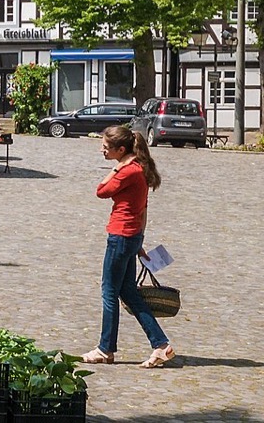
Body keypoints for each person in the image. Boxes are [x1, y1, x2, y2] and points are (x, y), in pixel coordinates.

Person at [82, 124, 175, 369]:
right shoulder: (140, 168)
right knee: (129, 293)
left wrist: (117, 167)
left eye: (106, 147)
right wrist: (139, 242)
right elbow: (143, 209)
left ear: (121, 150)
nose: (102, 150)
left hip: (121, 236)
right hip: (131, 237)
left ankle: (105, 349)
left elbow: (101, 191)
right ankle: (161, 345)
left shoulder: (128, 171)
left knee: (109, 292)